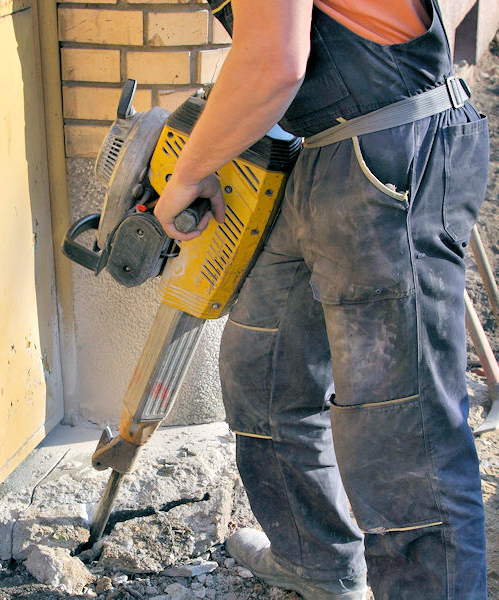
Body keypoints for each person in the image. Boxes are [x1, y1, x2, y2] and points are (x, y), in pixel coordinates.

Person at [153, 1, 489, 598]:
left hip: (386, 155)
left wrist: (187, 173)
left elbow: (274, 63)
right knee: (264, 369)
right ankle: (319, 562)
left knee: (402, 430)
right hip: (324, 150)